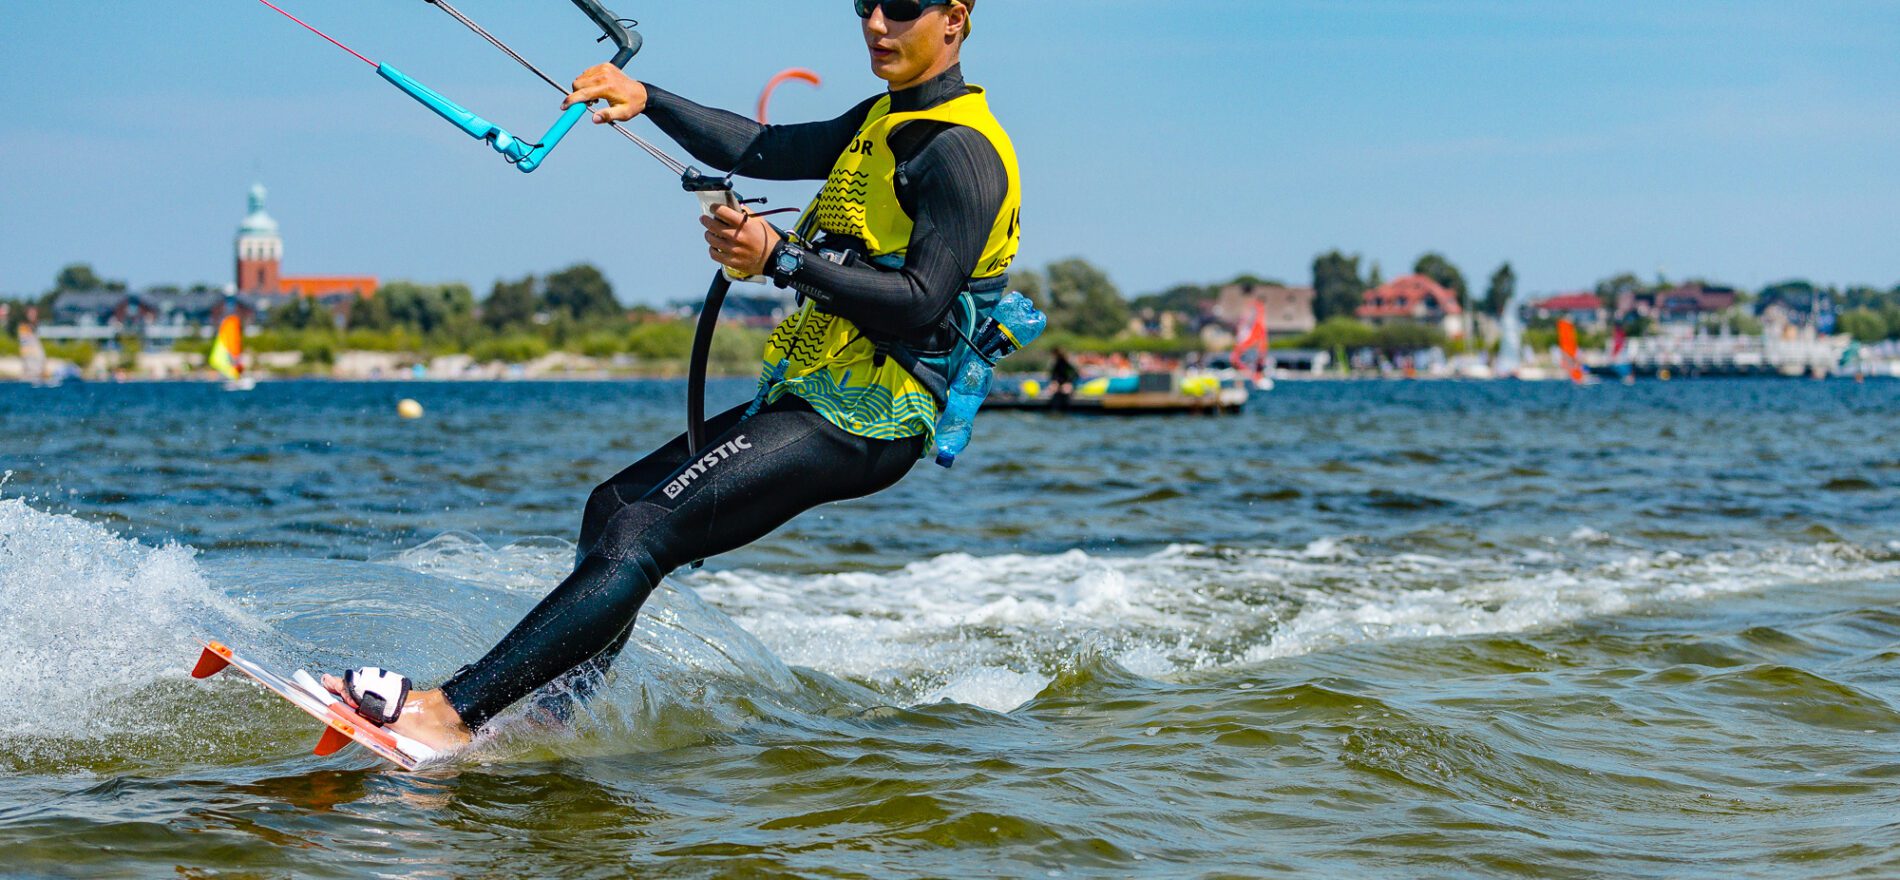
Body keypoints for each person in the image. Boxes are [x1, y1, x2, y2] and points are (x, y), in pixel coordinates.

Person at [322, 0, 1020, 750]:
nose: (878, 23)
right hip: (818, 396)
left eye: (904, 7)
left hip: (872, 417)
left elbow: (922, 304)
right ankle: (549, 719)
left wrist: (780, 257)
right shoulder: (883, 118)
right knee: (613, 504)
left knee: (643, 530)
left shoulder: (960, 151)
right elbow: (761, 145)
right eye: (864, 5)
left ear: (954, 16)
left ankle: (451, 713)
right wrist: (647, 99)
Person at [1047, 346, 1078, 411]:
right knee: (1053, 391)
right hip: (1058, 384)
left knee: (1065, 391)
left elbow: (1075, 374)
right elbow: (1054, 375)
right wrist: (1054, 382)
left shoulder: (1067, 362)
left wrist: (1069, 383)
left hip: (1067, 384)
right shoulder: (1055, 363)